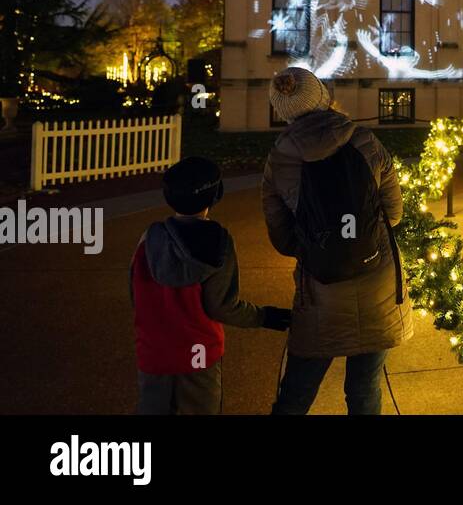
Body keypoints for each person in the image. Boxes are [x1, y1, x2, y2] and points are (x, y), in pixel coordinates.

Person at [263, 67, 413, 414]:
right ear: (321, 95)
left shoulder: (280, 160)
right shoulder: (364, 140)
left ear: (282, 111)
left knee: (297, 392)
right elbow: (394, 212)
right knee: (364, 391)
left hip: (320, 294)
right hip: (378, 284)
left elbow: (282, 237)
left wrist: (317, 246)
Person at [130, 156, 291, 414]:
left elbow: (135, 294)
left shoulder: (149, 238)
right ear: (216, 195)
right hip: (199, 352)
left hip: (154, 351)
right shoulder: (218, 242)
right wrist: (266, 316)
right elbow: (222, 306)